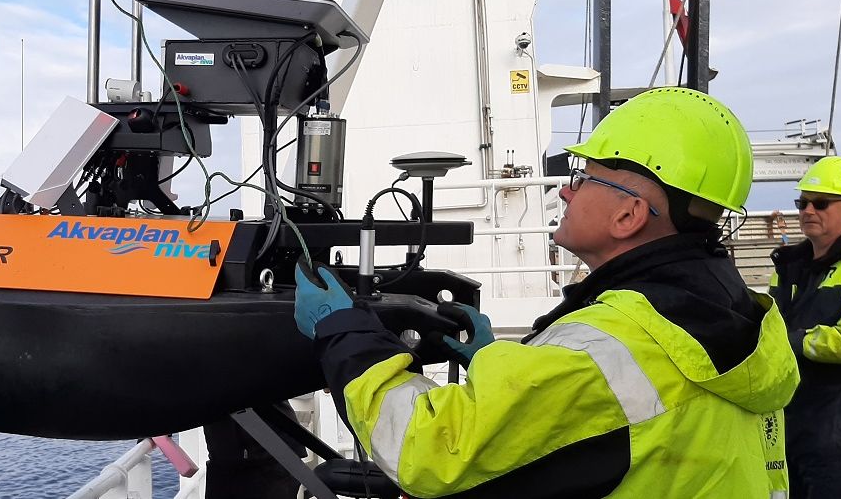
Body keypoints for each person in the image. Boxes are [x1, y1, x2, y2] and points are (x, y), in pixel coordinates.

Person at [295, 87, 799, 497]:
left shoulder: (615, 343)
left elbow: (427, 449)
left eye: (584, 179)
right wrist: (495, 361)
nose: (565, 190)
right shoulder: (737, 319)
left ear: (628, 216)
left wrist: (345, 332)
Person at [769, 155, 841, 498]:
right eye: (803, 202)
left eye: (820, 203)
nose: (808, 211)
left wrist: (797, 342)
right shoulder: (791, 267)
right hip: (790, 419)